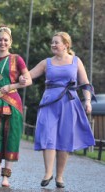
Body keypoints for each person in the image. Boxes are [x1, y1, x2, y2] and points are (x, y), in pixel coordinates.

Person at [20, 32, 95, 188]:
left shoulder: (76, 61)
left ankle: (60, 176)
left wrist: (87, 100)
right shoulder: (46, 62)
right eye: (52, 42)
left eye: (56, 42)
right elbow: (29, 75)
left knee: (64, 140)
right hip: (49, 103)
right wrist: (22, 77)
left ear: (66, 45)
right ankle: (48, 173)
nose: (53, 45)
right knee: (48, 135)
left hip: (69, 103)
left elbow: (85, 83)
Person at [0, 25, 32, 187]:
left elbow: (28, 80)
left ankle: (6, 176)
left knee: (11, 137)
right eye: (0, 40)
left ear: (10, 42)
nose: (2, 43)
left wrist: (13, 85)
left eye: (5, 40)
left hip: (12, 101)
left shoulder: (17, 59)